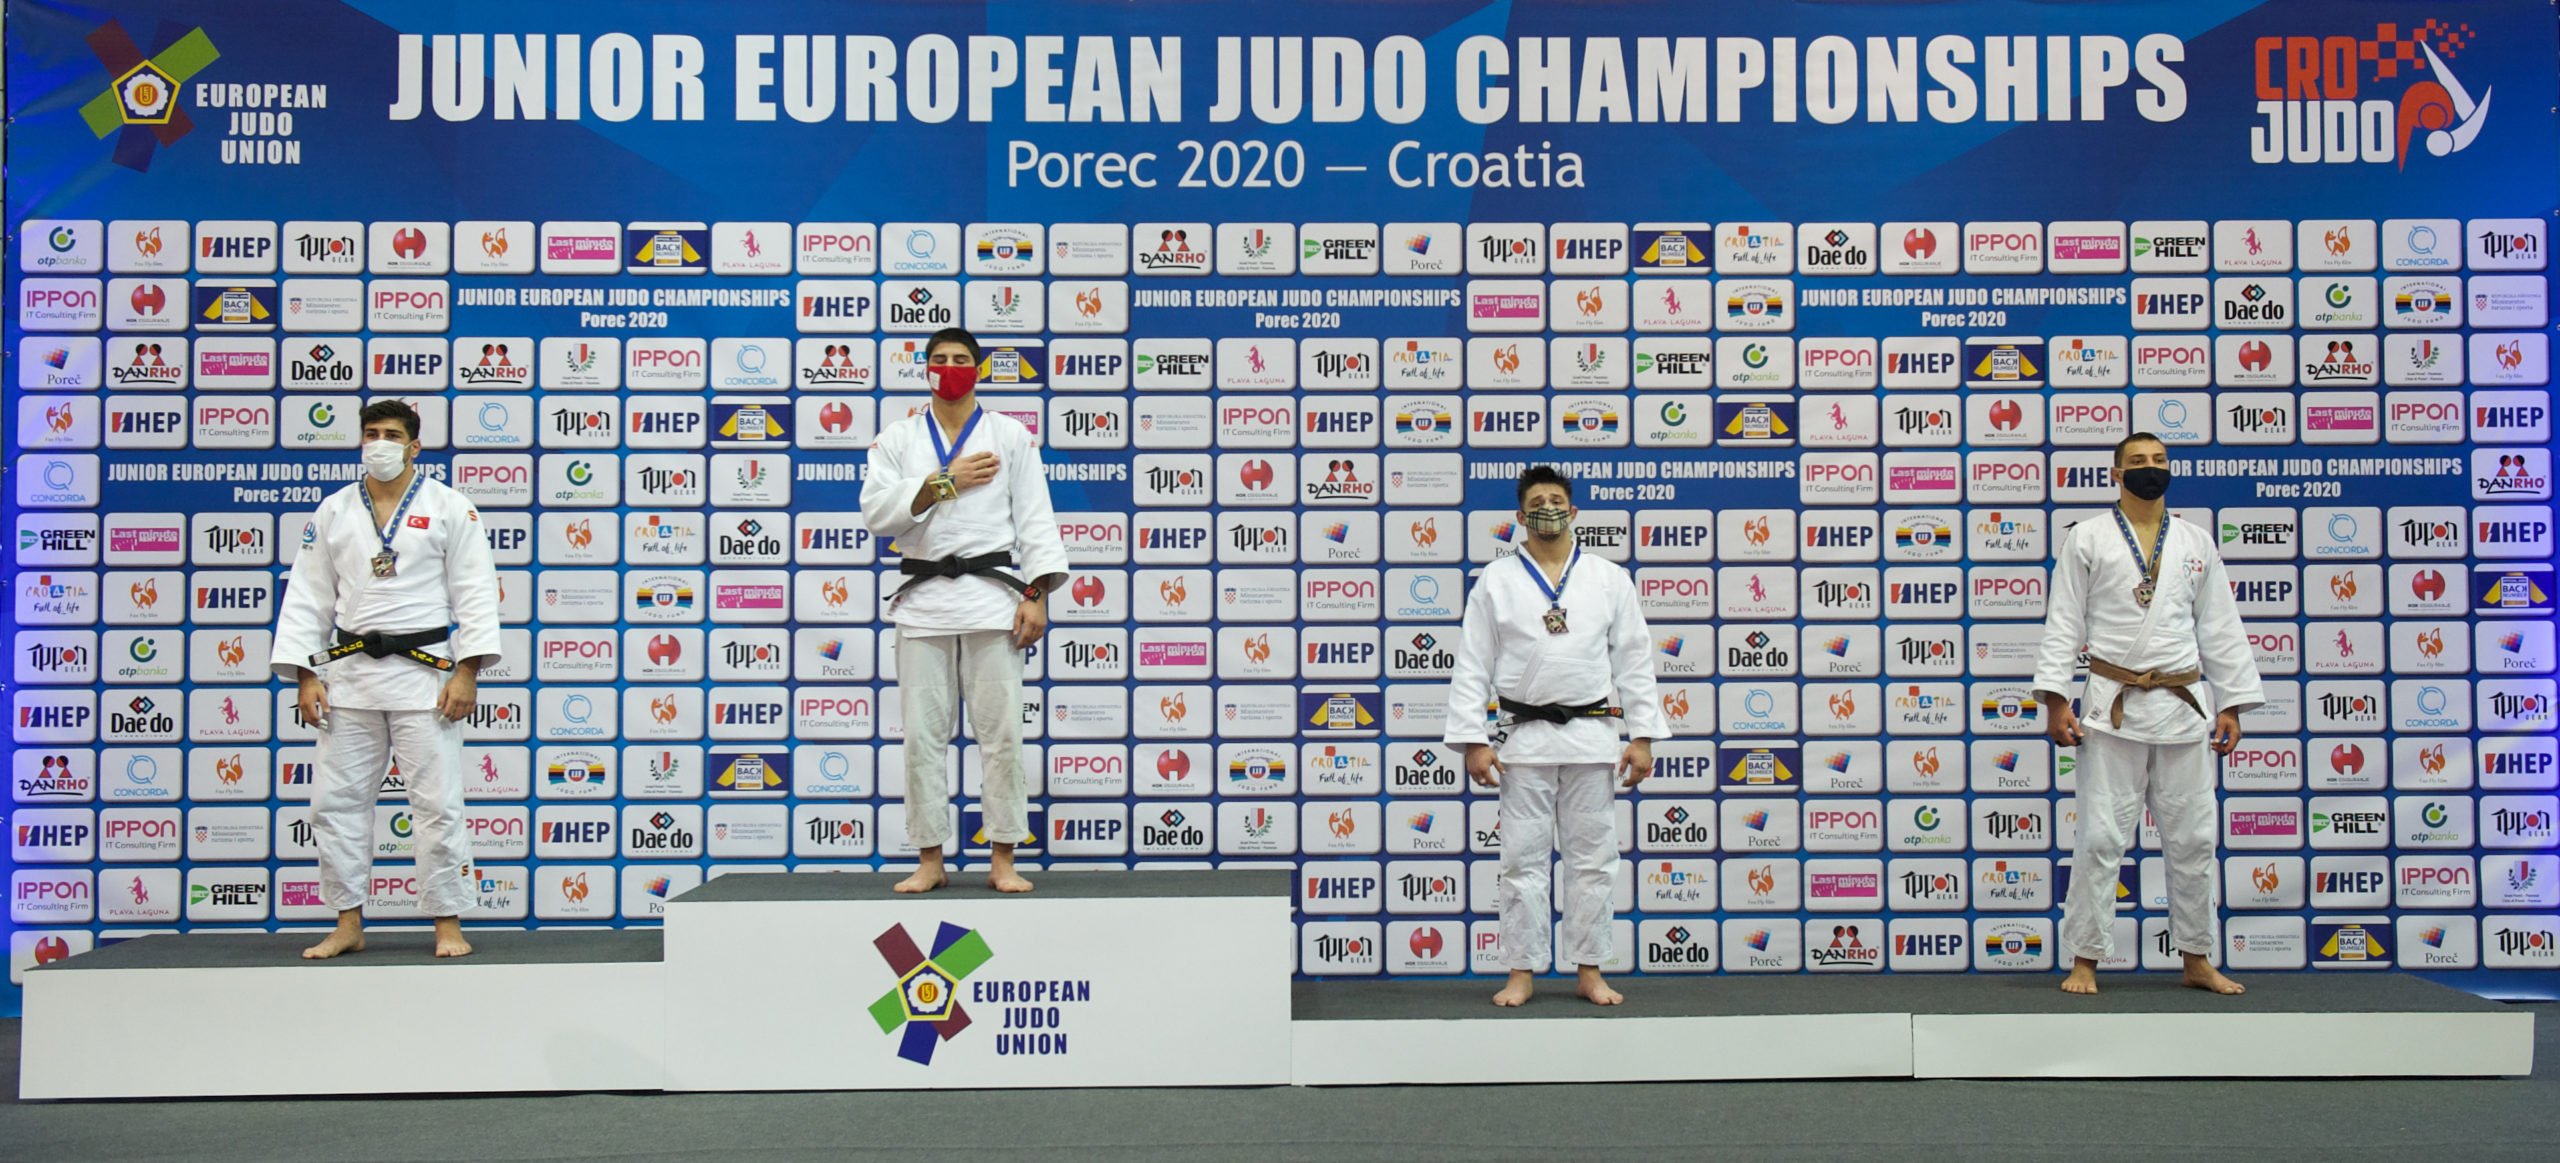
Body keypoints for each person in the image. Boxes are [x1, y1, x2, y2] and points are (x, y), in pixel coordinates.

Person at [270, 400, 501, 959]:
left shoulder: (451, 507)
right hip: (350, 675)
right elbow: (307, 596)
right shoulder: (334, 510)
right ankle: (348, 922)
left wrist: (468, 670)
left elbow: (475, 592)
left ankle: (447, 923)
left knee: (437, 805)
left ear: (414, 446)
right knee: (336, 803)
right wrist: (305, 674)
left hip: (426, 677)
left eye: (392, 435)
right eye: (371, 433)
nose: (380, 443)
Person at [2035, 432, 2263, 995]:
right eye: (2137, 461)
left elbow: (2220, 625)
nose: (2149, 468)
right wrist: (2057, 698)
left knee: (2194, 840)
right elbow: (2065, 620)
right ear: (2116, 473)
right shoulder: (2087, 537)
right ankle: (2085, 959)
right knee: (2099, 839)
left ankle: (2197, 958)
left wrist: (2232, 702)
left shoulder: (2194, 541)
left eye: (2159, 460)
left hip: (2182, 708)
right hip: (2111, 710)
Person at [1444, 466, 1669, 1006]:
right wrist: (1473, 739)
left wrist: (1642, 735)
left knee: (1593, 861)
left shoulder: (1608, 578)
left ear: (1573, 512)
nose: (1547, 508)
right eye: (1537, 502)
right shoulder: (1496, 579)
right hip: (1523, 742)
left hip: (1592, 738)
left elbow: (1634, 660)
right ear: (1520, 517)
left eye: (1556, 500)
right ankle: (1521, 970)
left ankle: (1589, 969)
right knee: (1521, 861)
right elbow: (1473, 663)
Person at [860, 327, 1067, 894]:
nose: (949, 367)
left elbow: (1037, 519)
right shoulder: (898, 438)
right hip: (923, 604)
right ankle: (930, 859)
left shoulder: (1010, 435)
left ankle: (1003, 858)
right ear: (925, 369)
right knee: (922, 739)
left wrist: (1037, 594)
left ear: (978, 369)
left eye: (960, 359)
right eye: (939, 359)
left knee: (1001, 738)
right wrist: (941, 484)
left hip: (992, 602)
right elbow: (878, 514)